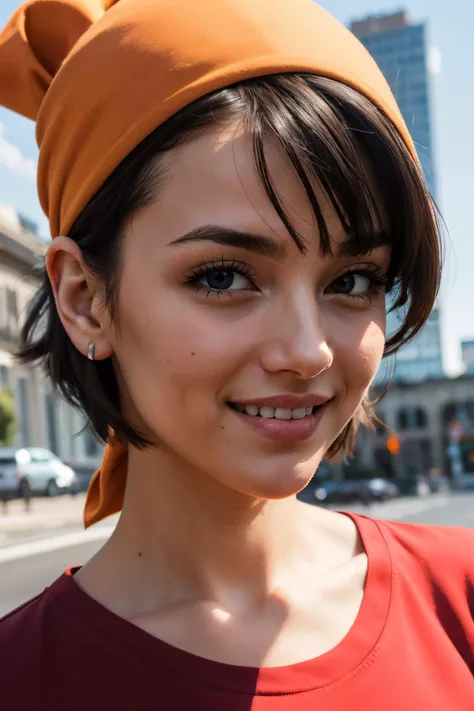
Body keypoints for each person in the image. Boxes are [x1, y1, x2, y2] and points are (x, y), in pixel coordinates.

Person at [0, 0, 473, 708]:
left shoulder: (462, 598)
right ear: (84, 298)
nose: (307, 350)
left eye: (353, 280)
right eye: (222, 276)